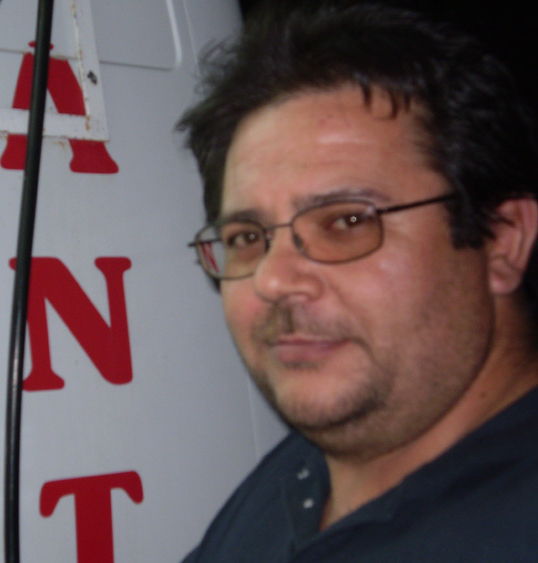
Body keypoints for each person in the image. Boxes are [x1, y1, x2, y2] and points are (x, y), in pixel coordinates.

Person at [178, 1, 538, 560]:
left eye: (347, 222)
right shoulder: (302, 474)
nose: (272, 280)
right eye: (247, 237)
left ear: (502, 239)